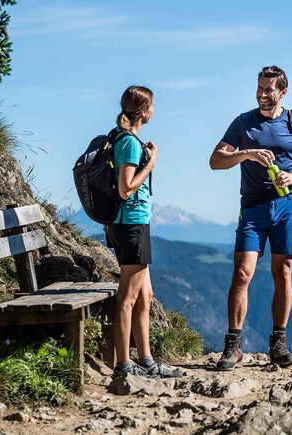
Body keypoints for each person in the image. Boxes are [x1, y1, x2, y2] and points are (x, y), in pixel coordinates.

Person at [209, 66, 292, 370]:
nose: (262, 93)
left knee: (283, 272)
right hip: (253, 207)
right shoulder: (243, 122)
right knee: (242, 272)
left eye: (269, 89)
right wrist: (245, 154)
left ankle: (279, 344)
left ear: (283, 92)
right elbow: (215, 161)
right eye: (259, 87)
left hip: (286, 205)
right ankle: (233, 346)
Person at [107, 85, 183, 379]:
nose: (154, 110)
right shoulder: (129, 143)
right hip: (131, 224)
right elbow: (125, 189)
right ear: (142, 111)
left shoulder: (128, 139)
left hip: (133, 223)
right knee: (128, 297)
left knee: (145, 295)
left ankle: (147, 361)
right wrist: (150, 163)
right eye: (152, 105)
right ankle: (124, 366)